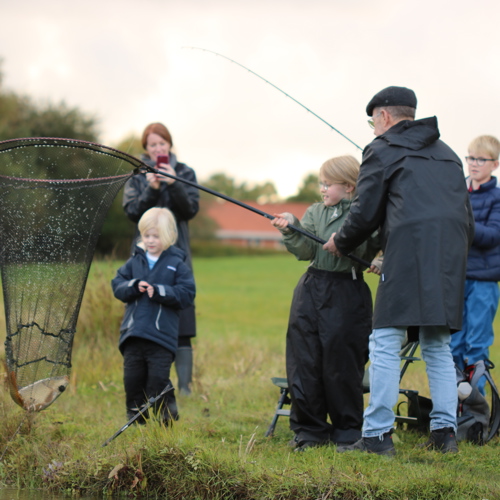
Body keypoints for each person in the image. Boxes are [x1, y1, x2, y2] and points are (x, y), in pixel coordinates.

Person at [324, 86, 474, 455]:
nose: (373, 129)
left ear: (384, 117)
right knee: (437, 343)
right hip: (449, 259)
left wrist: (340, 242)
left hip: (408, 256)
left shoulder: (381, 149)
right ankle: (445, 434)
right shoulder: (448, 154)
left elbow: (364, 210)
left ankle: (376, 435)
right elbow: (464, 216)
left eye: (373, 121)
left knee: (386, 341)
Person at [270, 155, 380, 452]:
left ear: (348, 186)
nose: (322, 189)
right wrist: (290, 228)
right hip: (310, 290)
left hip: (348, 293)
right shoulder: (315, 212)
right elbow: (305, 251)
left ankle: (346, 430)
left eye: (327, 184)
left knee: (341, 363)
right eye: (321, 183)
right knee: (304, 360)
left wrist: (381, 258)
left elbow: (382, 244)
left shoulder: (365, 214)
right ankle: (310, 430)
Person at [123, 122, 199, 395]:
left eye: (162, 144)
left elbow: (190, 209)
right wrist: (152, 188)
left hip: (177, 257)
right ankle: (147, 384)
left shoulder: (184, 172)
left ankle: (185, 387)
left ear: (169, 145)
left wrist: (172, 183)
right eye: (152, 145)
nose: (158, 149)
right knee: (143, 317)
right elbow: (132, 212)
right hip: (144, 259)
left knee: (181, 319)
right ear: (146, 148)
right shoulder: (137, 175)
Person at [112, 207, 196, 424]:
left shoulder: (177, 264)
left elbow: (187, 294)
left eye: (155, 236)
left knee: (157, 381)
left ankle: (167, 417)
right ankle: (136, 420)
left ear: (168, 236)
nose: (149, 240)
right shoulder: (135, 261)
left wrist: (160, 291)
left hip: (161, 336)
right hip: (133, 333)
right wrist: (133, 285)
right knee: (132, 380)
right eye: (146, 235)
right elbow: (117, 285)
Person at [450, 135, 500, 389]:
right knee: (454, 342)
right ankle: (452, 405)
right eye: (470, 157)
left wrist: (463, 223)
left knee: (476, 343)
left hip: (484, 283)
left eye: (481, 159)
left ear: (495, 164)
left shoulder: (497, 197)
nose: (474, 163)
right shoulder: (456, 192)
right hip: (456, 278)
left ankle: (475, 409)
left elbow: (493, 235)